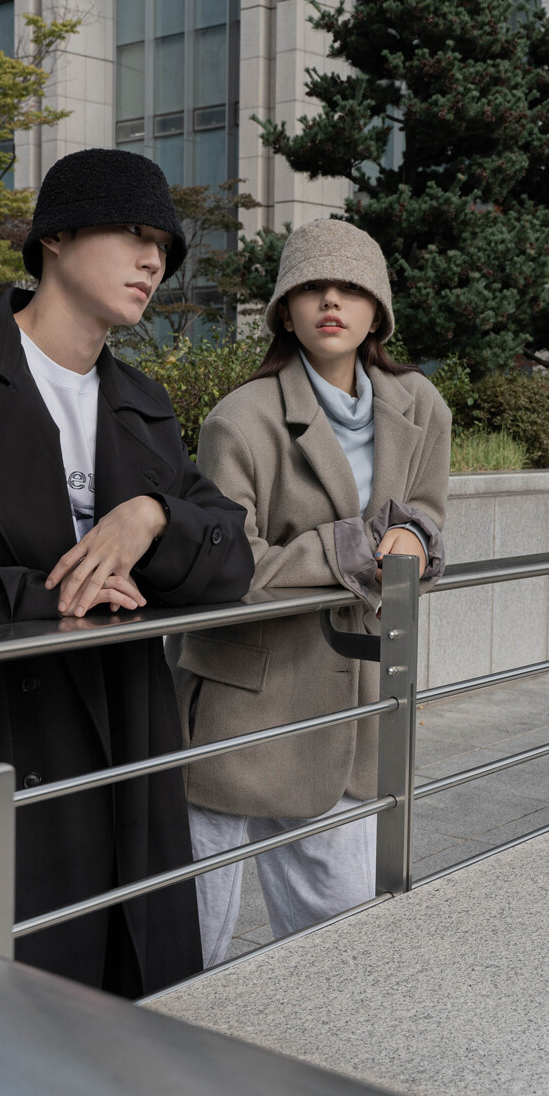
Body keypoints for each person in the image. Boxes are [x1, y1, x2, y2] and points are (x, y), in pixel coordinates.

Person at [0, 148, 254, 997]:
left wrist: (152, 518)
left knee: (135, 1008)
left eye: (165, 247)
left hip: (130, 742)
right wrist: (53, 596)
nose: (153, 261)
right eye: (134, 233)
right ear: (56, 237)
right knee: (0, 1008)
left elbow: (230, 557)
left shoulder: (141, 402)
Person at [168, 218, 451, 968]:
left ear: (377, 310)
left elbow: (426, 510)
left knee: (338, 949)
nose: (331, 301)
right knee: (193, 945)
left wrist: (415, 537)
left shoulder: (420, 405)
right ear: (284, 312)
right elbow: (233, 565)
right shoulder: (240, 419)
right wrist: (352, 546)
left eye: (351, 287)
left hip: (353, 705)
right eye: (312, 287)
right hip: (240, 707)